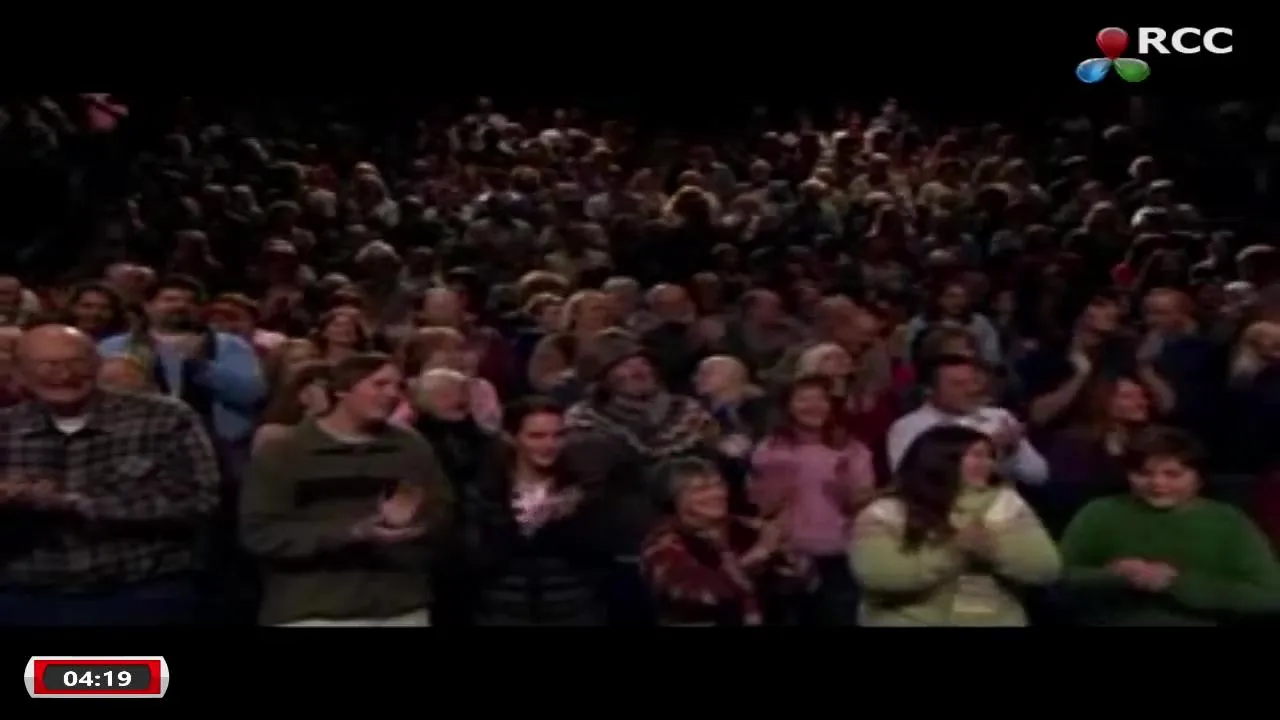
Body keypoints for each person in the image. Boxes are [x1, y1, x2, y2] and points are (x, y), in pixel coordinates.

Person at [0, 324, 221, 625]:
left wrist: (72, 503)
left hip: (141, 596)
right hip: (23, 599)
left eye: (76, 362)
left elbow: (199, 501)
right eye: (47, 365)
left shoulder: (164, 418)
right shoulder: (5, 427)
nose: (64, 375)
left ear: (98, 364)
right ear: (20, 373)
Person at [239, 353, 452, 626]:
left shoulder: (411, 447)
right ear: (342, 389)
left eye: (397, 386)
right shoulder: (286, 451)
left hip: (399, 607)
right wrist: (352, 532)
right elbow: (260, 534)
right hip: (313, 610)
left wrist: (417, 522)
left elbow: (443, 513)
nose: (392, 394)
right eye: (379, 384)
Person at [562, 328, 718, 625]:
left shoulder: (689, 413)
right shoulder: (585, 423)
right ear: (603, 376)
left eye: (642, 362)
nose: (638, 370)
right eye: (623, 364)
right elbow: (589, 489)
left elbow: (711, 472)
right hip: (623, 552)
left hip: (695, 549)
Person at [1059, 426, 1280, 626]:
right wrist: (1113, 576)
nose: (1158, 483)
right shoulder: (1099, 512)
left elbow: (1270, 595)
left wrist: (1175, 583)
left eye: (1173, 474)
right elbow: (1058, 580)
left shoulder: (1227, 521)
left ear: (1198, 478)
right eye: (1144, 474)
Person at [849, 425, 1060, 626]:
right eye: (978, 456)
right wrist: (952, 552)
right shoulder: (886, 512)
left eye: (990, 457)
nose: (988, 464)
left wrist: (993, 551)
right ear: (942, 459)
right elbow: (878, 575)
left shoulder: (1006, 504)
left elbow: (1046, 568)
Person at [463, 398, 604, 625]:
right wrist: (525, 528)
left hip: (572, 611)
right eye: (537, 436)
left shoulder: (583, 490)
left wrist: (572, 519)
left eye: (558, 435)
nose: (550, 445)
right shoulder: (486, 492)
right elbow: (473, 561)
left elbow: (598, 560)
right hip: (502, 613)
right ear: (511, 437)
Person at [749, 376, 875, 625]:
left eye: (821, 399)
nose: (813, 406)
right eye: (803, 399)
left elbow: (864, 504)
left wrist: (844, 488)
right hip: (788, 557)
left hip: (840, 557)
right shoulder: (770, 449)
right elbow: (762, 509)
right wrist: (776, 487)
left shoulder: (852, 449)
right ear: (788, 407)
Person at [641, 458, 812, 626]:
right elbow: (698, 595)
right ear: (673, 499)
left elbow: (803, 584)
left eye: (719, 485)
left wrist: (789, 558)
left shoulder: (750, 527)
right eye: (701, 489)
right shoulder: (663, 543)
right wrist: (756, 556)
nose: (717, 494)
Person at [886, 354, 1048, 485]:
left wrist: (1013, 452)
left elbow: (1039, 475)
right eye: (958, 384)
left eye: (973, 382)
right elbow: (911, 484)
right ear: (929, 390)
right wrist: (992, 450)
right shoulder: (908, 427)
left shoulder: (999, 417)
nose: (971, 390)